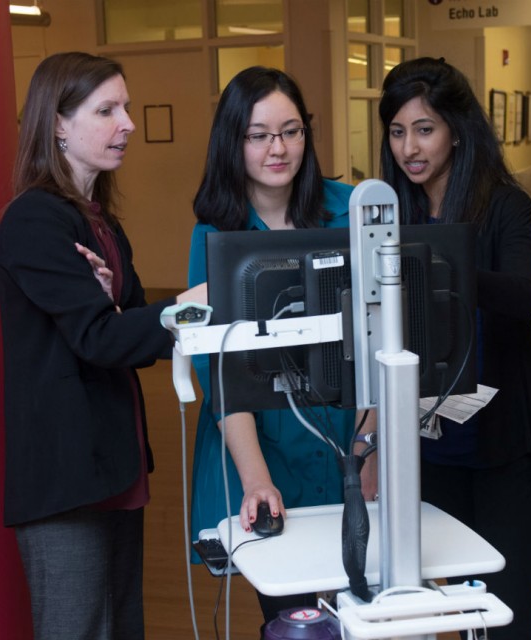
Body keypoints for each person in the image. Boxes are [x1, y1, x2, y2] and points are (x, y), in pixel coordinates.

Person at [0, 51, 206, 640]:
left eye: (127, 108)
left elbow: (129, 337)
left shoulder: (99, 223)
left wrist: (121, 311)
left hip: (113, 464)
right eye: (107, 110)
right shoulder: (34, 221)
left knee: (122, 627)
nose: (128, 124)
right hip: (67, 477)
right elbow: (99, 337)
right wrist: (191, 306)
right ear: (58, 124)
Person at [371, 56, 531, 639]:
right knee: (450, 611)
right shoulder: (393, 214)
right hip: (430, 448)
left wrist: (441, 258)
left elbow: (523, 295)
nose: (410, 146)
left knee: (505, 607)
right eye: (398, 130)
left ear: (456, 130)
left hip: (507, 446)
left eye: (425, 128)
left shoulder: (505, 205)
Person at [187, 66, 356, 629]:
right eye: (259, 135)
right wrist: (258, 480)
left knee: (360, 608)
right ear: (233, 142)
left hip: (347, 437)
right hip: (261, 445)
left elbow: (383, 338)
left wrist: (373, 448)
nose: (278, 148)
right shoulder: (214, 233)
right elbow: (224, 375)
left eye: (291, 130)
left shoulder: (351, 207)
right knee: (295, 618)